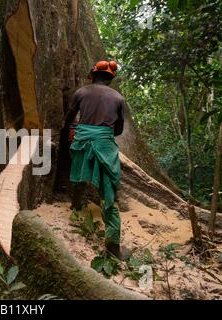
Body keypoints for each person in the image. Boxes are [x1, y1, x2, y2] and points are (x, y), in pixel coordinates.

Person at [64, 60, 130, 260]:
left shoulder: (81, 92)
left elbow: (69, 118)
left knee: (78, 176)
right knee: (109, 190)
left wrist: (72, 129)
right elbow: (118, 130)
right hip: (104, 145)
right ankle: (113, 246)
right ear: (110, 79)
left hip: (82, 139)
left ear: (92, 75)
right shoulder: (118, 98)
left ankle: (75, 207)